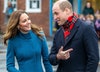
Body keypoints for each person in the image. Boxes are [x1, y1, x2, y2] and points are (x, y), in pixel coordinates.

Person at [49, 0, 99, 72]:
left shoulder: (86, 29)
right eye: (53, 14)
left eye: (56, 13)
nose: (54, 18)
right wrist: (58, 56)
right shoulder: (58, 33)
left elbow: (93, 59)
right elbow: (51, 58)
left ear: (67, 10)